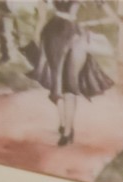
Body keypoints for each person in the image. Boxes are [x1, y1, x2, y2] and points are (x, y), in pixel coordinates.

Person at [24, 0, 112, 147]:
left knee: (70, 84)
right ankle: (64, 123)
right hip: (52, 35)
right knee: (56, 81)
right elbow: (41, 15)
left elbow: (111, 16)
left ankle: (68, 132)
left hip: (74, 38)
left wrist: (90, 24)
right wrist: (36, 38)